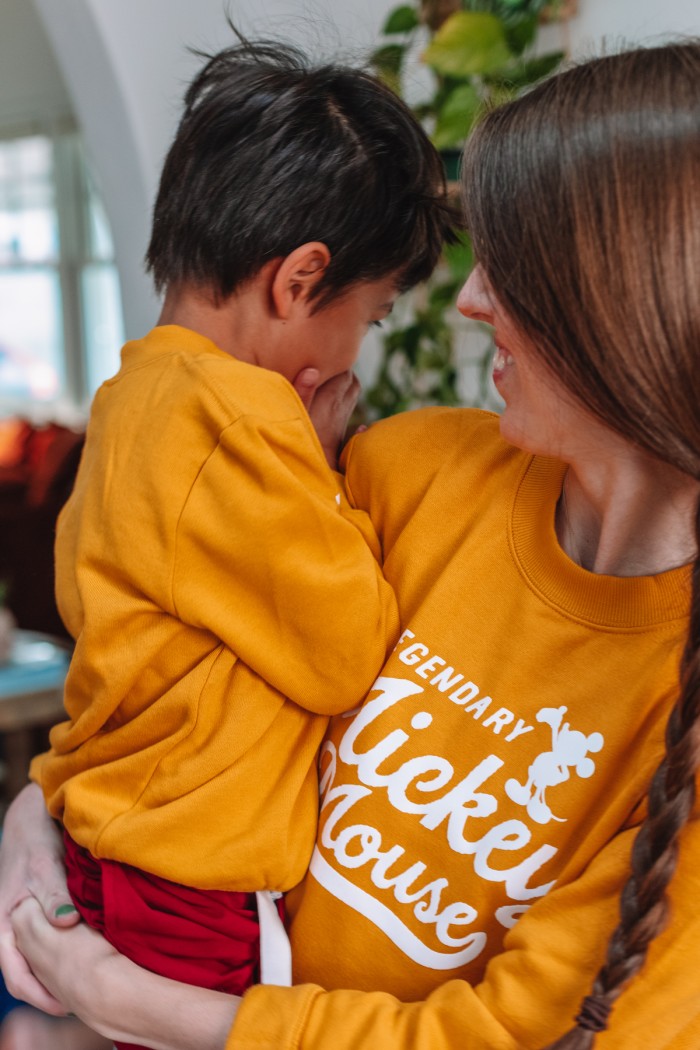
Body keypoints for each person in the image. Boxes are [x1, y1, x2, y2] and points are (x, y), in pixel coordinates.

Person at [3, 37, 700, 1050]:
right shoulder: (405, 466)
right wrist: (38, 818)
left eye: (517, 272)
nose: (469, 303)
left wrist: (146, 1010)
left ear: (634, 311)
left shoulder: (666, 691)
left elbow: (507, 1035)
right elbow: (177, 667)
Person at [16, 31, 455, 1039]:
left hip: (117, 833)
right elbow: (345, 651)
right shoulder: (245, 422)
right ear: (299, 282)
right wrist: (321, 466)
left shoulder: (133, 394)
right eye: (374, 315)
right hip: (195, 869)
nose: (360, 349)